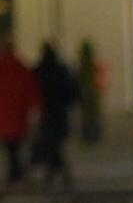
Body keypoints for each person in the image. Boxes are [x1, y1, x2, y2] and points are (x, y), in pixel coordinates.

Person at [32, 41, 80, 188]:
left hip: (47, 113)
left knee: (53, 144)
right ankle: (59, 175)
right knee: (56, 145)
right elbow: (72, 90)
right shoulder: (61, 69)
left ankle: (54, 175)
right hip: (59, 113)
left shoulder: (39, 70)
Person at [0, 31, 41, 188]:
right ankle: (15, 173)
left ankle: (14, 173)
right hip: (18, 115)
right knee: (16, 145)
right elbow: (32, 91)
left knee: (9, 147)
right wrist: (35, 109)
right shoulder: (21, 67)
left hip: (4, 115)